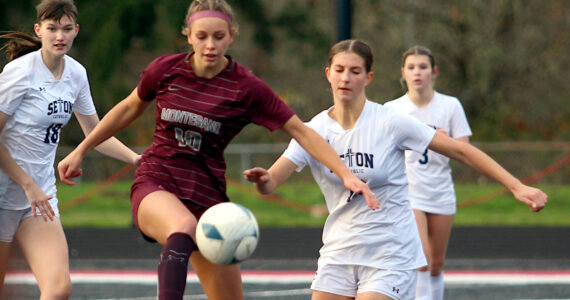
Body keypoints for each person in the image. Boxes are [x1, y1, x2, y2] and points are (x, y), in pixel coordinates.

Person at [56, 1, 376, 300]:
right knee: (182, 229)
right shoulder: (165, 70)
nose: (210, 45)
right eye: (202, 36)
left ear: (231, 37)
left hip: (207, 198)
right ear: (188, 36)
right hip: (157, 181)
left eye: (219, 37)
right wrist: (82, 149)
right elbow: (127, 109)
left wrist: (346, 175)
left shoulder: (246, 88)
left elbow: (302, 132)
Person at [243, 39, 547, 300]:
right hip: (339, 251)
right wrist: (262, 179)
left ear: (369, 77)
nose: (345, 78)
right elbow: (272, 183)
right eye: (339, 70)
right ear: (328, 74)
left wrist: (517, 186)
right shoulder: (314, 130)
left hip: (390, 253)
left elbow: (460, 150)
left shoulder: (389, 121)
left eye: (355, 71)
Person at [0, 0, 140, 299]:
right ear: (39, 31)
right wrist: (26, 183)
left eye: (66, 29)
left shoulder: (76, 74)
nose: (59, 36)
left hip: (39, 199)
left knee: (59, 288)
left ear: (76, 30)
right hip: (6, 193)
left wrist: (136, 159)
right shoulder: (19, 73)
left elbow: (96, 134)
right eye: (52, 29)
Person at [383, 45, 471, 300]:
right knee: (421, 258)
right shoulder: (393, 108)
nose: (417, 72)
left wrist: (446, 141)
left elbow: (465, 150)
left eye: (422, 67)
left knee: (436, 263)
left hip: (441, 190)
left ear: (434, 72)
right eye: (411, 67)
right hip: (409, 191)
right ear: (403, 73)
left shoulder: (450, 105)